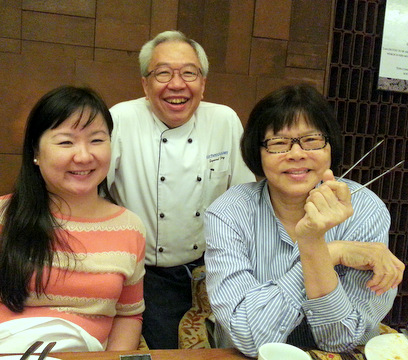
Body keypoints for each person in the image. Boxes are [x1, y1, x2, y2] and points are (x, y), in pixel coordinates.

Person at [0, 86, 146, 355]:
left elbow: (128, 315)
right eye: (66, 142)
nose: (84, 155)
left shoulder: (130, 227)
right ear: (36, 153)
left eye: (97, 140)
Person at [204, 84, 405, 357]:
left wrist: (312, 245)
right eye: (278, 143)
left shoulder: (365, 210)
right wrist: (327, 252)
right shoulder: (229, 212)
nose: (297, 153)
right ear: (257, 152)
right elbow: (249, 336)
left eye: (311, 140)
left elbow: (341, 340)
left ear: (330, 144)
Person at [107, 30, 256, 349]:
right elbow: (92, 194)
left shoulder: (224, 120)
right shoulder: (121, 118)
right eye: (163, 73)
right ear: (145, 84)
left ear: (203, 83)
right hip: (144, 275)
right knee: (165, 350)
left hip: (211, 269)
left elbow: (244, 200)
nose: (177, 84)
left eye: (189, 73)